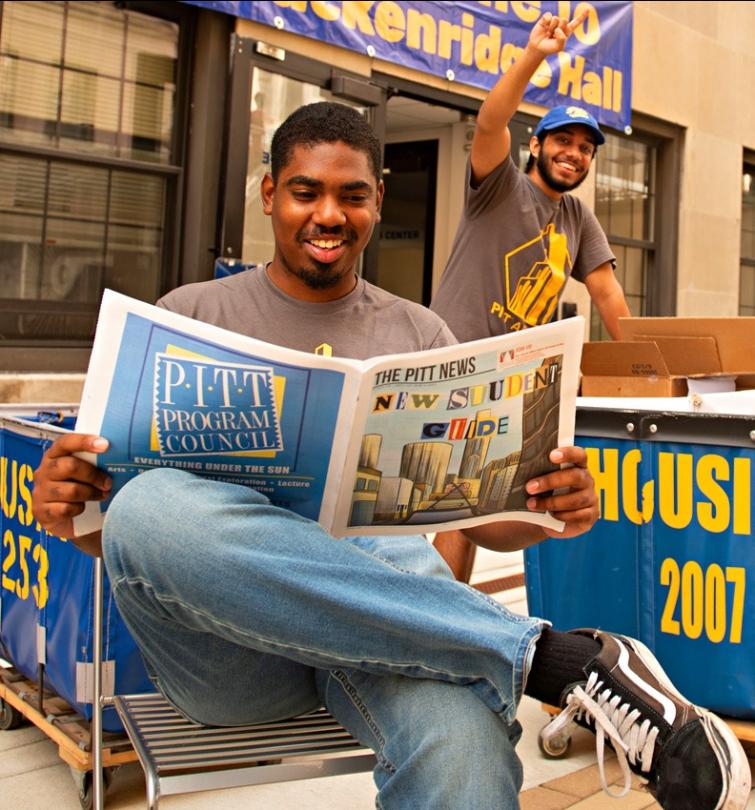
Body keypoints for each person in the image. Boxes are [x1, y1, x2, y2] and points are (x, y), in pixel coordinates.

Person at [32, 103, 749, 810]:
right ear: (269, 195)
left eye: (352, 196)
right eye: (305, 192)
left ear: (377, 201)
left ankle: (534, 658)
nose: (328, 215)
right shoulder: (188, 316)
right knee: (150, 505)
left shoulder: (421, 333)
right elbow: (128, 543)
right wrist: (68, 508)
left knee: (463, 751)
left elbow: (482, 522)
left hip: (391, 637)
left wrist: (549, 511)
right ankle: (558, 661)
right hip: (232, 662)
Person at [431, 11, 631, 343]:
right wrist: (535, 54)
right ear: (536, 145)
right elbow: (491, 123)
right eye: (563, 141)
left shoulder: (577, 217)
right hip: (451, 360)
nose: (574, 154)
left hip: (513, 374)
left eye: (585, 148)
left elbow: (608, 294)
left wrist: (647, 365)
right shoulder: (500, 185)